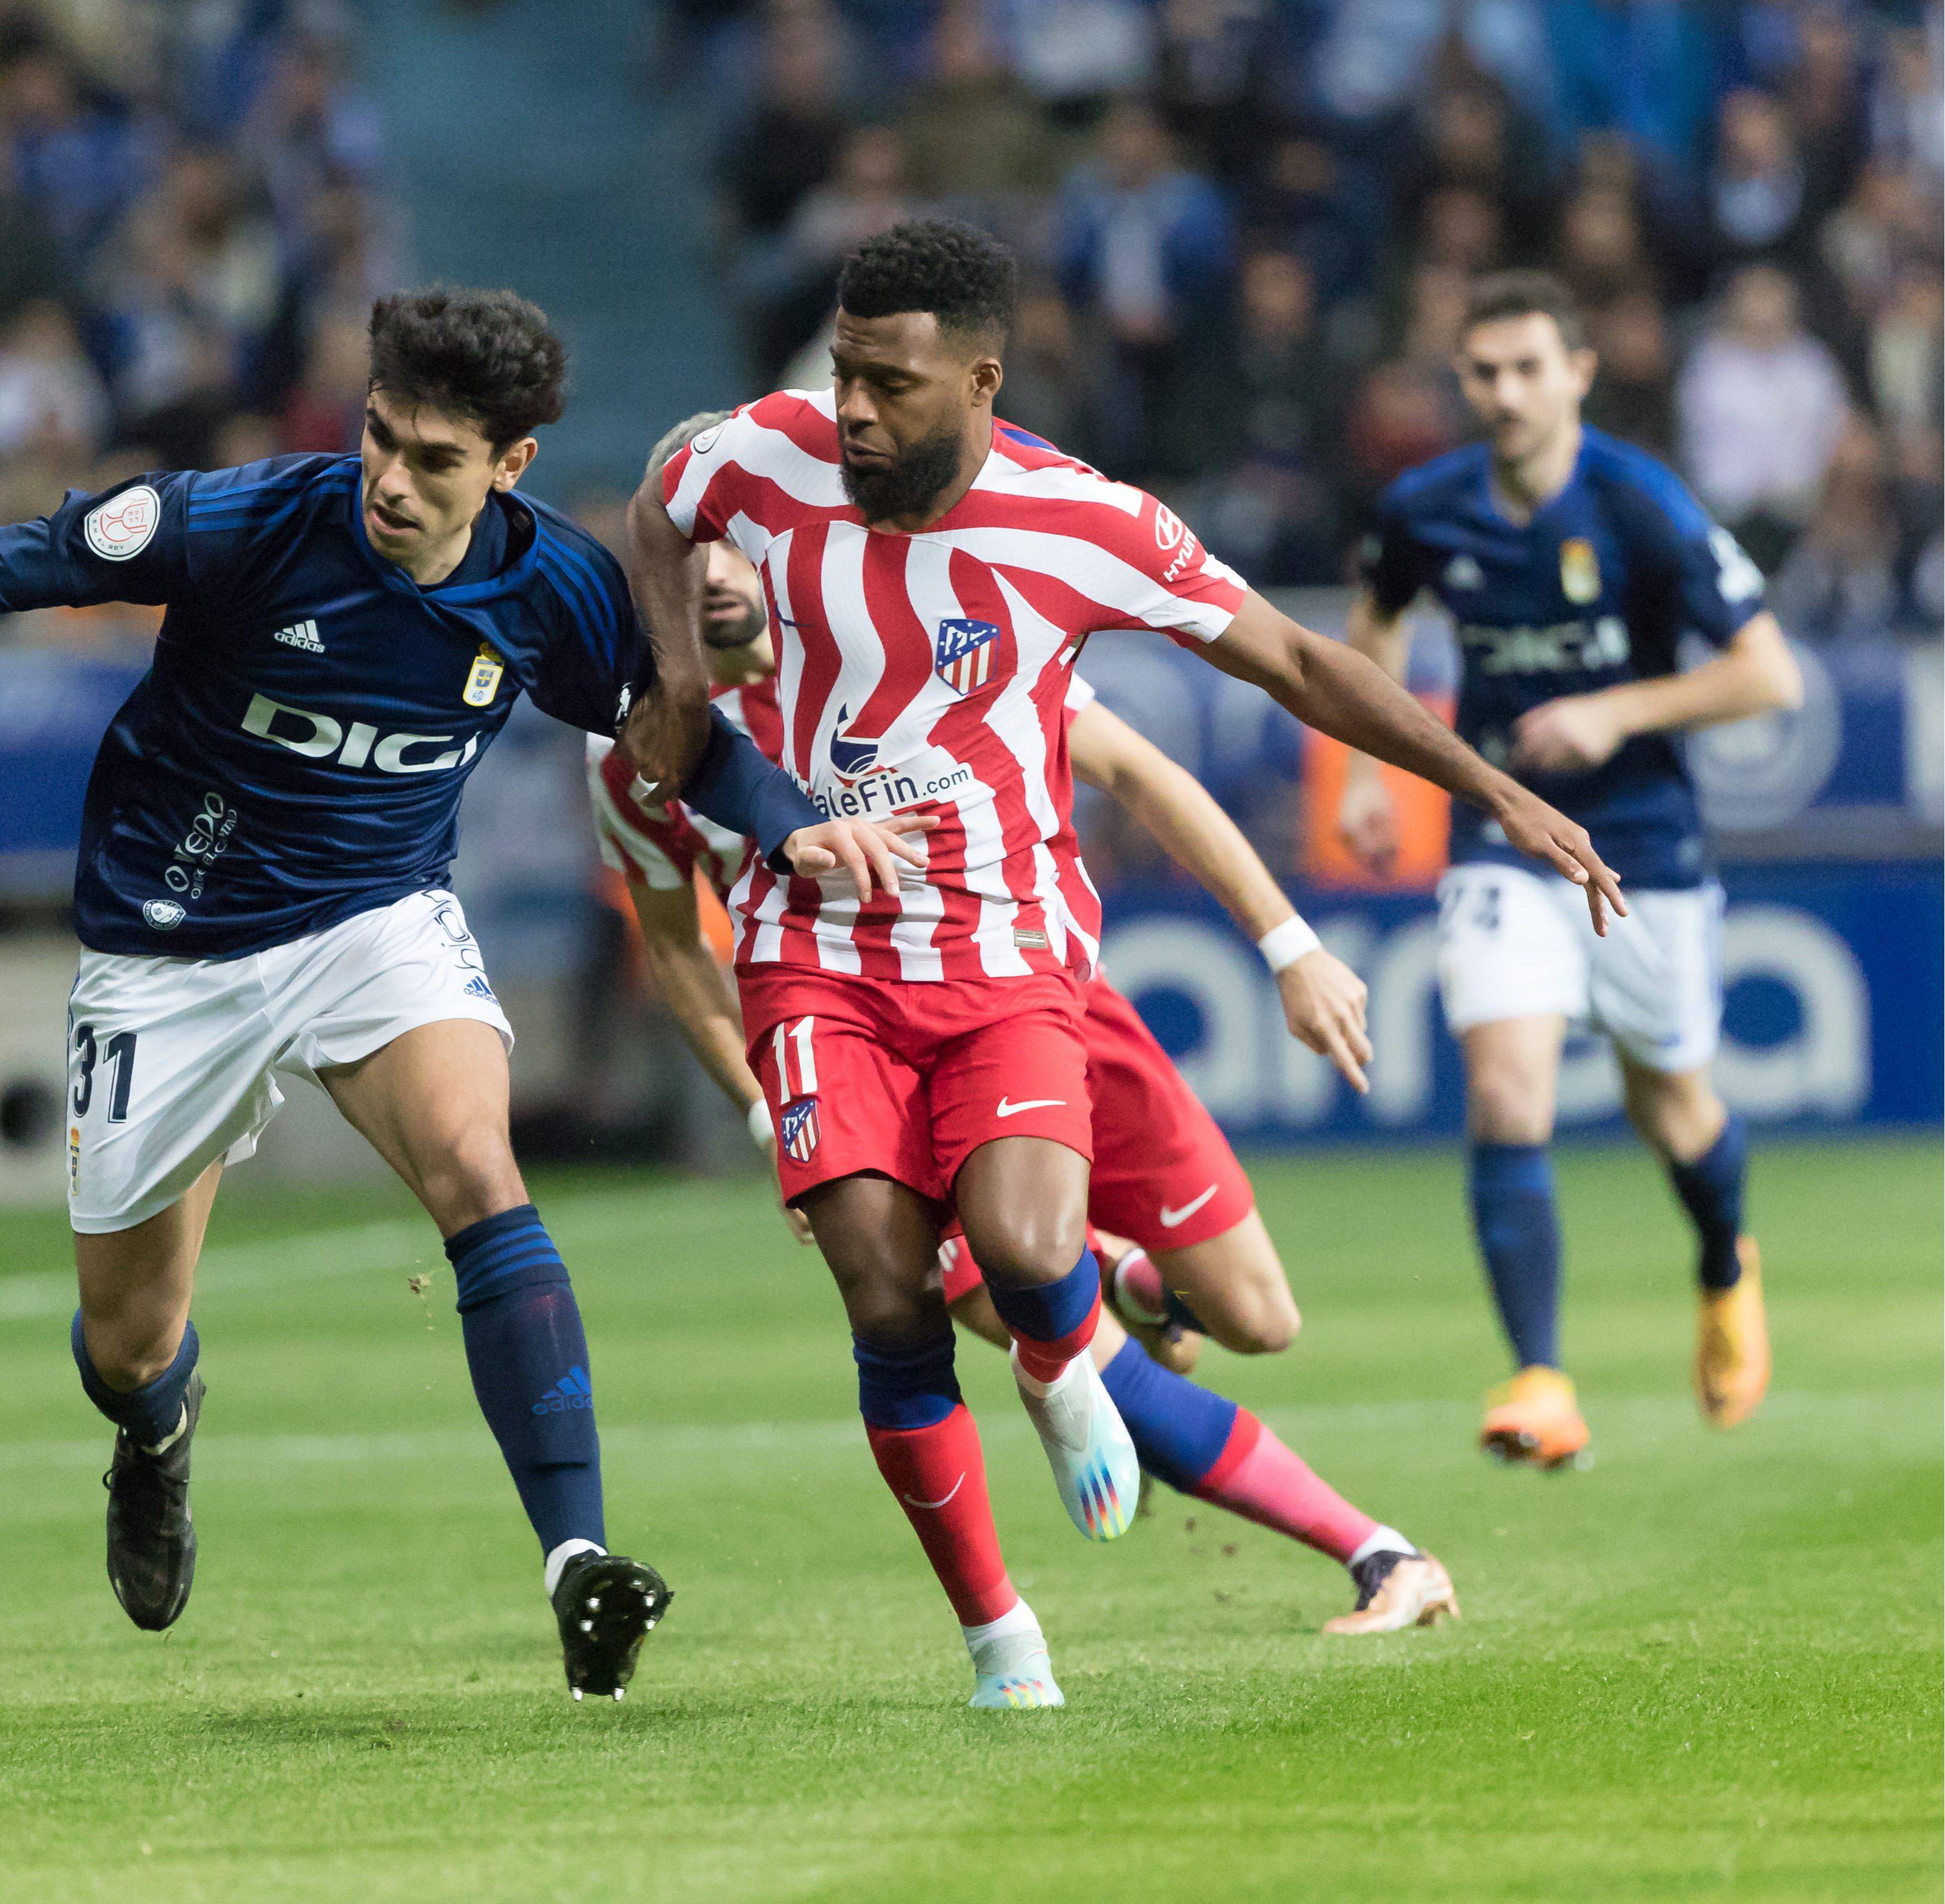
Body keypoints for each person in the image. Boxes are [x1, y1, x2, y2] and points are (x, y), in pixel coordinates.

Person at [0, 286, 913, 1701]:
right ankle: (155, 1430)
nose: (395, 482)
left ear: (510, 468)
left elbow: (667, 731)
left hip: (376, 919)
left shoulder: (552, 587)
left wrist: (786, 816)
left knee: (481, 1163)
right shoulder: (244, 522)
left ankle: (577, 1558)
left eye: (437, 461)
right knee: (125, 1336)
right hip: (169, 951)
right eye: (381, 439)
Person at [623, 219, 1616, 1709]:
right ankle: (1001, 1646)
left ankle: (1060, 1358)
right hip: (812, 953)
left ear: (980, 379)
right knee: (886, 1297)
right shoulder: (759, 459)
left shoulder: (1079, 520)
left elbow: (1287, 658)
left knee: (1038, 1251)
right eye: (842, 375)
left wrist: (1490, 789)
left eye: (888, 385)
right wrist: (682, 682)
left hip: (1009, 947)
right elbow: (655, 505)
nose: (851, 412)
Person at [591, 421, 1454, 1642]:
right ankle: (1377, 1550)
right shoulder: (639, 748)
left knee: (1258, 1316)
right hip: (862, 1038)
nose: (722, 570)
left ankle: (1118, 1277)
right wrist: (758, 1100)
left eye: (739, 542)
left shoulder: (894, 627)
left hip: (1043, 999)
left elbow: (1140, 772)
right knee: (1020, 1312)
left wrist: (1288, 941)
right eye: (699, 551)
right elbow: (677, 947)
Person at [1338, 271, 1802, 1470]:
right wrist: (1360, 779)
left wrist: (1616, 713)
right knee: (1503, 1091)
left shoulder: (1638, 503)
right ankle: (1539, 1376)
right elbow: (1373, 626)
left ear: (1577, 373)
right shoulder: (1425, 506)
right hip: (1502, 837)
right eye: (1481, 373)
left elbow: (1767, 674)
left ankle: (1720, 1262)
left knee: (1673, 1107)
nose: (1501, 393)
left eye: (1526, 369)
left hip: (1640, 849)